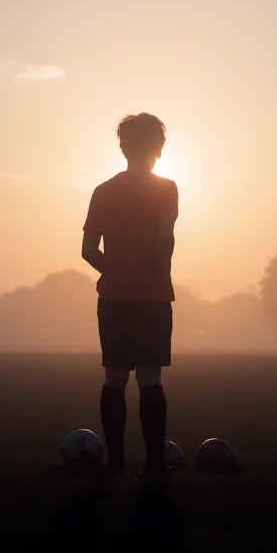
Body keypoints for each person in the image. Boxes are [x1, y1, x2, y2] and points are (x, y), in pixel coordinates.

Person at [81, 113, 178, 478]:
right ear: (159, 148)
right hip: (153, 297)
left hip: (114, 299)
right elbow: (164, 239)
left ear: (123, 147)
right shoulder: (167, 189)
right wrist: (157, 273)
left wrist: (116, 272)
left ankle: (116, 461)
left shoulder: (103, 191)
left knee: (114, 377)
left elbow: (88, 250)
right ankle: (154, 462)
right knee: (151, 378)